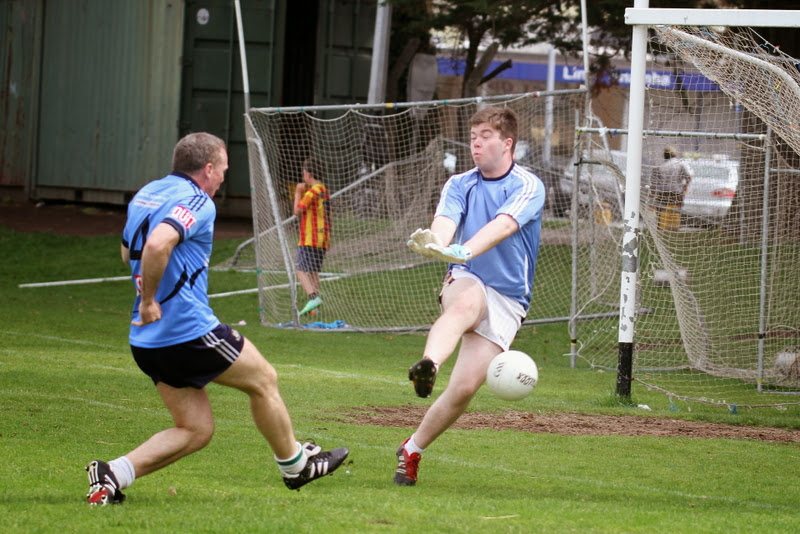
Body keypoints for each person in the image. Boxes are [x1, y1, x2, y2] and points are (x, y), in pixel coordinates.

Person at [85, 133, 348, 505]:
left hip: (147, 340)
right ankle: (295, 466)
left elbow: (128, 252)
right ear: (208, 168)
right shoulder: (197, 201)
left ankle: (112, 473)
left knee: (195, 429)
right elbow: (159, 244)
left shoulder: (148, 193)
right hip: (186, 330)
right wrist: (149, 300)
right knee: (263, 379)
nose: (225, 176)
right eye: (224, 168)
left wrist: (149, 294)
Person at [398, 107, 545, 486]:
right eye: (473, 136)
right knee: (464, 305)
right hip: (467, 276)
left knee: (463, 389)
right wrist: (438, 243)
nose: (475, 143)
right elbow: (445, 222)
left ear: (507, 143)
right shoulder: (460, 182)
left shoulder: (528, 185)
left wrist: (465, 248)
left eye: (485, 136)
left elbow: (504, 225)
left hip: (509, 299)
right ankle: (428, 363)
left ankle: (412, 450)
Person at [293, 156, 331, 316]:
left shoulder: (311, 192)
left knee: (300, 270)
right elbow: (330, 215)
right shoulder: (324, 190)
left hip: (310, 238)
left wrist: (297, 192)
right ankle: (315, 310)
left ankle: (312, 297)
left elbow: (297, 211)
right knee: (314, 272)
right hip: (322, 238)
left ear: (308, 175)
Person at [649, 146, 692, 230]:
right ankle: (674, 229)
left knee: (662, 214)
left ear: (664, 155)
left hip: (663, 194)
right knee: (675, 213)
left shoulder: (660, 166)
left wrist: (652, 199)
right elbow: (689, 176)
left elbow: (654, 185)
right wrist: (685, 187)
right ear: (675, 154)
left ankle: (661, 229)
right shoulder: (680, 164)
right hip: (676, 193)